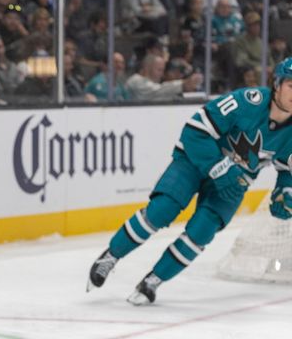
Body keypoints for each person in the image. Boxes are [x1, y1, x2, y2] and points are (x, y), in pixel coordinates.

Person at [88, 57, 292, 305]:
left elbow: (287, 169)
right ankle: (110, 256)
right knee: (163, 210)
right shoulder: (249, 101)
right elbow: (196, 130)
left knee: (202, 232)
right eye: (291, 85)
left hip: (234, 182)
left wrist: (285, 193)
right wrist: (219, 167)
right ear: (277, 84)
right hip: (195, 161)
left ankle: (153, 281)